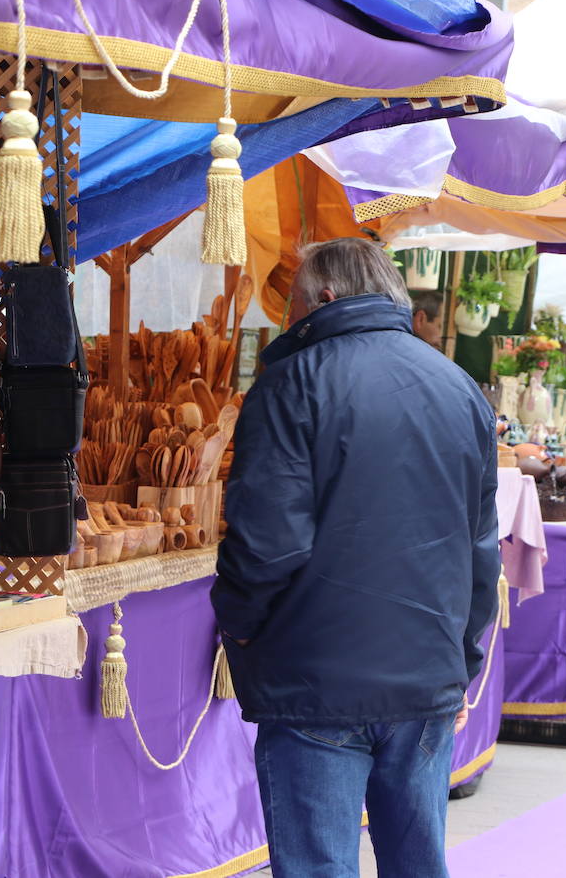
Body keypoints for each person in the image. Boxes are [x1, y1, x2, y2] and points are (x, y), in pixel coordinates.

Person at [212, 237, 499, 877]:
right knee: (418, 864)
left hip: (316, 680)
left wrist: (241, 629)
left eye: (293, 304)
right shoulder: (459, 388)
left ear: (327, 299)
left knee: (319, 866)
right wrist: (460, 661)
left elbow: (265, 546)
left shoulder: (289, 383)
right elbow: (482, 556)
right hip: (424, 674)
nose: (287, 318)